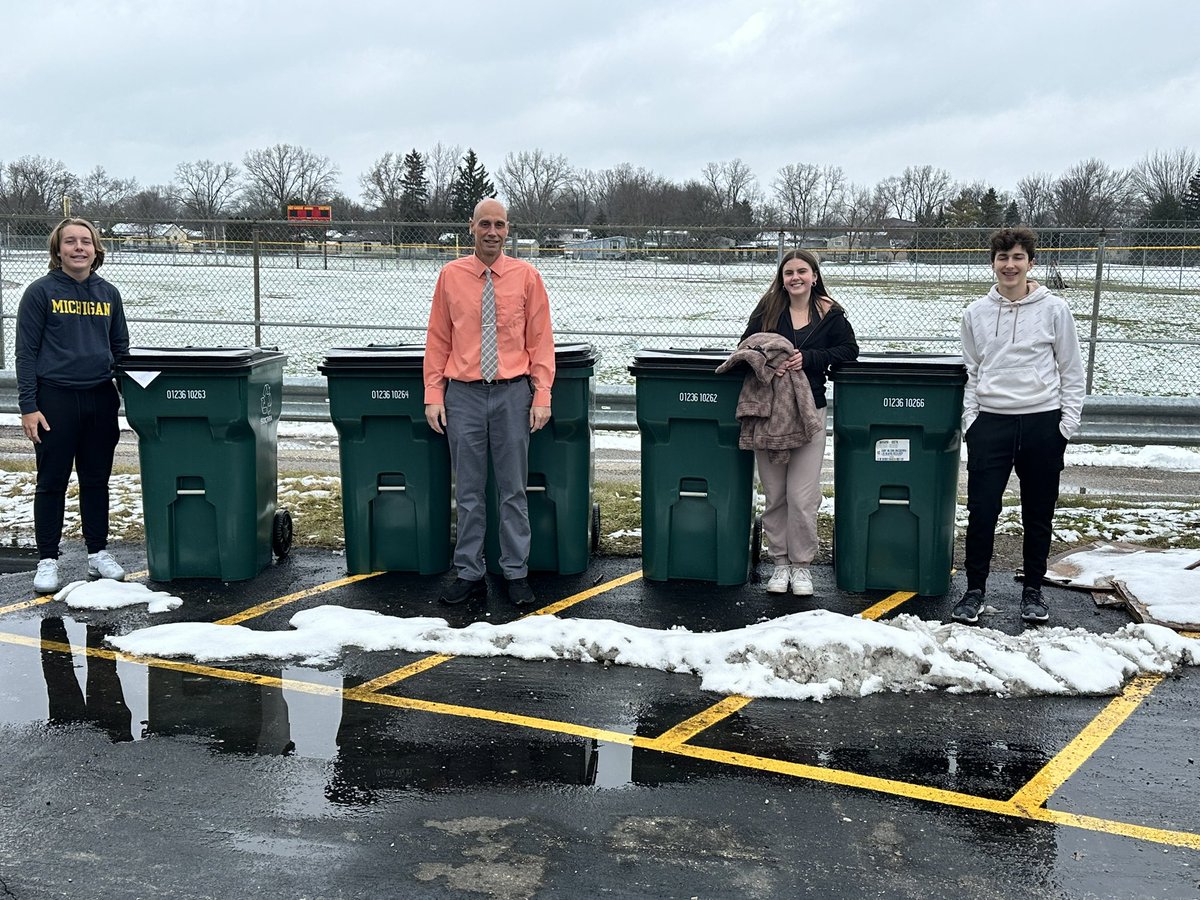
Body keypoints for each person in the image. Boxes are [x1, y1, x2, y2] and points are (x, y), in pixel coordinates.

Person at [424, 198, 555, 608]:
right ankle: (469, 572)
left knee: (513, 490)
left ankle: (515, 572)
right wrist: (433, 395)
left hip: (512, 394)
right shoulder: (450, 276)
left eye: (499, 225)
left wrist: (542, 395)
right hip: (462, 395)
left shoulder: (527, 277)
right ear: (471, 227)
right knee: (468, 491)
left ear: (508, 229)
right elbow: (438, 339)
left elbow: (540, 341)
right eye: (485, 224)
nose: (492, 232)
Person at [953, 227, 1085, 626]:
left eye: (1017, 258)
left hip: (1042, 423)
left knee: (1038, 512)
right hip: (991, 424)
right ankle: (974, 590)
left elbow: (1072, 370)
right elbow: (972, 370)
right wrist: (972, 420)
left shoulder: (1054, 309)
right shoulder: (975, 313)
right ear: (992, 263)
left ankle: (1033, 591)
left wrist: (1066, 425)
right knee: (982, 511)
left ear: (1031, 262)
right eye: (1002, 258)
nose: (1009, 266)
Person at [16, 217, 130, 594]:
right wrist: (29, 405)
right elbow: (26, 354)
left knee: (96, 480)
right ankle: (48, 559)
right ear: (58, 250)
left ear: (97, 249)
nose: (78, 248)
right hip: (55, 400)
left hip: (99, 398)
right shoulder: (40, 292)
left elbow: (120, 350)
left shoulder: (108, 293)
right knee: (52, 482)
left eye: (86, 241)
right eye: (70, 242)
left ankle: (98, 553)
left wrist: (132, 393)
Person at [741, 249, 858, 597]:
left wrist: (809, 357)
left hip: (810, 413)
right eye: (788, 272)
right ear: (781, 278)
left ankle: (802, 566)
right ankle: (779, 563)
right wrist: (769, 359)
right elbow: (744, 346)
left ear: (814, 276)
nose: (795, 278)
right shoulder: (767, 311)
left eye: (802, 271)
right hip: (769, 412)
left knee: (802, 495)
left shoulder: (830, 314)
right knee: (775, 493)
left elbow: (849, 350)